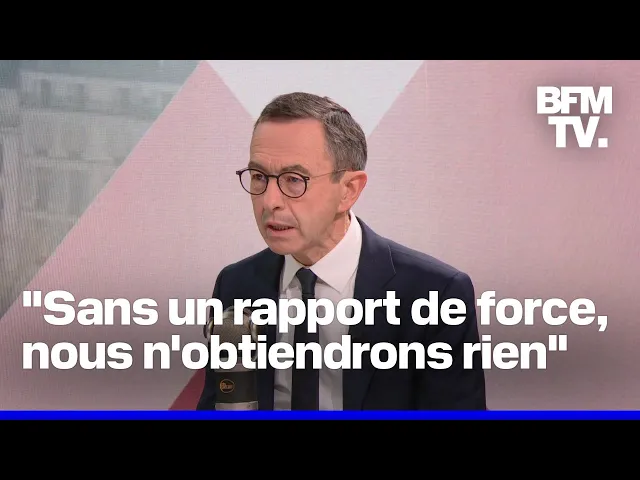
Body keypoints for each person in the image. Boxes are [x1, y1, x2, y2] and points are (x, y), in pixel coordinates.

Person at [196, 92, 486, 410]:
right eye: (259, 177)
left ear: (348, 190)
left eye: (294, 180)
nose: (269, 201)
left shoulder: (435, 294)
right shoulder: (236, 285)